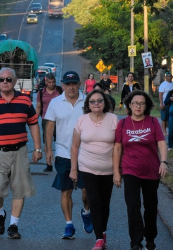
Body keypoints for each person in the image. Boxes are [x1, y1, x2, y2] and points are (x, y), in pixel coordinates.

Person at [0, 67, 42, 239]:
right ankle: (0, 213)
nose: (5, 82)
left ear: (15, 81)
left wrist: (37, 149)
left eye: (8, 79)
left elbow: (34, 124)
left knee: (19, 190)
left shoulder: (25, 101)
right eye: (1, 79)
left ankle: (13, 225)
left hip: (19, 152)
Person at [113, 90, 168, 250]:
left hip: (151, 171)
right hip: (130, 170)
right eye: (135, 103)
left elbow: (161, 143)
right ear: (129, 105)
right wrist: (117, 171)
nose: (138, 106)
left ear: (146, 106)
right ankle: (135, 242)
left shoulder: (153, 122)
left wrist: (163, 162)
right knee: (133, 206)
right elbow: (117, 148)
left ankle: (150, 237)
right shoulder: (123, 124)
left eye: (142, 103)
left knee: (150, 206)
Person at [44, 70, 93, 239]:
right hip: (63, 153)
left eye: (74, 84)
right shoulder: (55, 103)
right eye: (68, 84)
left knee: (86, 191)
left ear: (79, 84)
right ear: (62, 85)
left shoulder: (87, 102)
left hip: (86, 153)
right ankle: (69, 225)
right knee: (66, 190)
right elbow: (49, 126)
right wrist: (48, 149)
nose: (71, 87)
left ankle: (86, 212)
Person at [70, 89, 118, 250]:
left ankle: (102, 232)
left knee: (105, 203)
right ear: (88, 105)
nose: (96, 103)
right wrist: (74, 170)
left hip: (109, 169)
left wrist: (118, 170)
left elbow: (119, 146)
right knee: (95, 201)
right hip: (87, 167)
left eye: (99, 100)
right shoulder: (82, 120)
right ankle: (99, 239)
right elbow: (75, 146)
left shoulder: (113, 119)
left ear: (105, 103)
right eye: (92, 101)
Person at [36, 73, 63, 172]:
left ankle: (61, 162)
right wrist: (34, 120)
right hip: (46, 120)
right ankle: (49, 164)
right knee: (47, 142)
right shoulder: (41, 92)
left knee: (60, 142)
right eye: (49, 82)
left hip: (59, 120)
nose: (52, 84)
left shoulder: (60, 91)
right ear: (46, 82)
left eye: (53, 82)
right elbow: (39, 106)